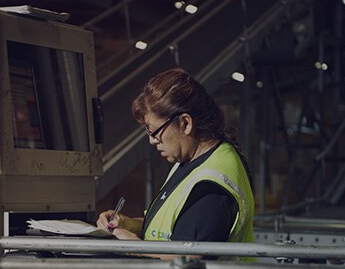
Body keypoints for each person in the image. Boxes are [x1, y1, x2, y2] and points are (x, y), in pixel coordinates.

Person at [97, 67, 255, 251]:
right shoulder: (192, 162)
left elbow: (188, 259)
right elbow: (173, 230)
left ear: (185, 123)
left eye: (154, 131)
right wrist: (128, 224)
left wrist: (135, 247)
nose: (152, 140)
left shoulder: (210, 187)